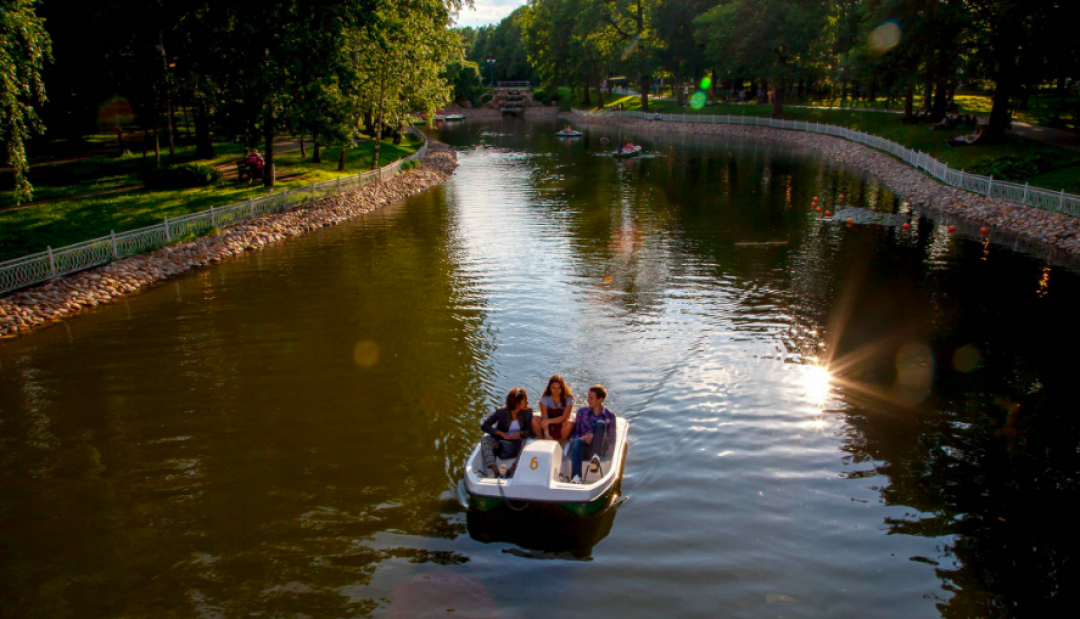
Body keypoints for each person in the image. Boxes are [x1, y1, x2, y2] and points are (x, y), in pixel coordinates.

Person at [480, 387, 535, 478]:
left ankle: (513, 469)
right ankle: (494, 469)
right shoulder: (501, 412)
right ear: (517, 403)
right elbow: (485, 426)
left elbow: (529, 430)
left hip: (519, 442)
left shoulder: (528, 412)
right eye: (525, 401)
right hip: (501, 442)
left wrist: (520, 433)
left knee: (528, 442)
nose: (528, 403)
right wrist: (500, 433)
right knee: (485, 440)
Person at [566, 385, 616, 483]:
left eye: (591, 398)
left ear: (600, 400)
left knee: (601, 424)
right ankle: (576, 478)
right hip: (583, 446)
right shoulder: (581, 412)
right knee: (576, 442)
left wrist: (596, 438)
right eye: (588, 397)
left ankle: (595, 458)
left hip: (599, 447)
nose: (588, 400)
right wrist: (582, 438)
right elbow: (574, 433)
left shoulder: (610, 415)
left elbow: (611, 438)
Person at [533, 375, 575, 442]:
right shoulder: (545, 399)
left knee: (569, 424)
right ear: (549, 388)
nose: (556, 391)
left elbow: (565, 417)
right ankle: (542, 440)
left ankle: (559, 443)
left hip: (561, 423)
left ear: (562, 388)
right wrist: (546, 434)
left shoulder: (568, 398)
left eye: (559, 388)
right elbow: (545, 417)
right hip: (548, 424)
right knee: (534, 420)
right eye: (553, 388)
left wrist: (549, 421)